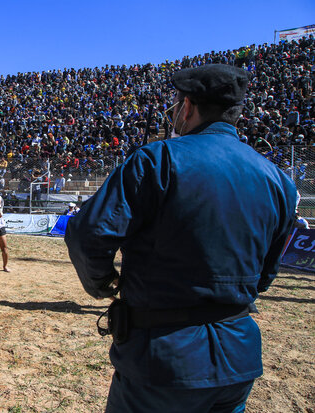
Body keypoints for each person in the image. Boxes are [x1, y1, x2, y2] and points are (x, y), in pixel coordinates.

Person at [65, 64, 297, 412]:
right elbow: (267, 271)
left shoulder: (157, 159)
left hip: (163, 356)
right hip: (238, 354)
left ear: (187, 106)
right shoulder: (278, 179)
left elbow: (88, 234)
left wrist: (104, 283)